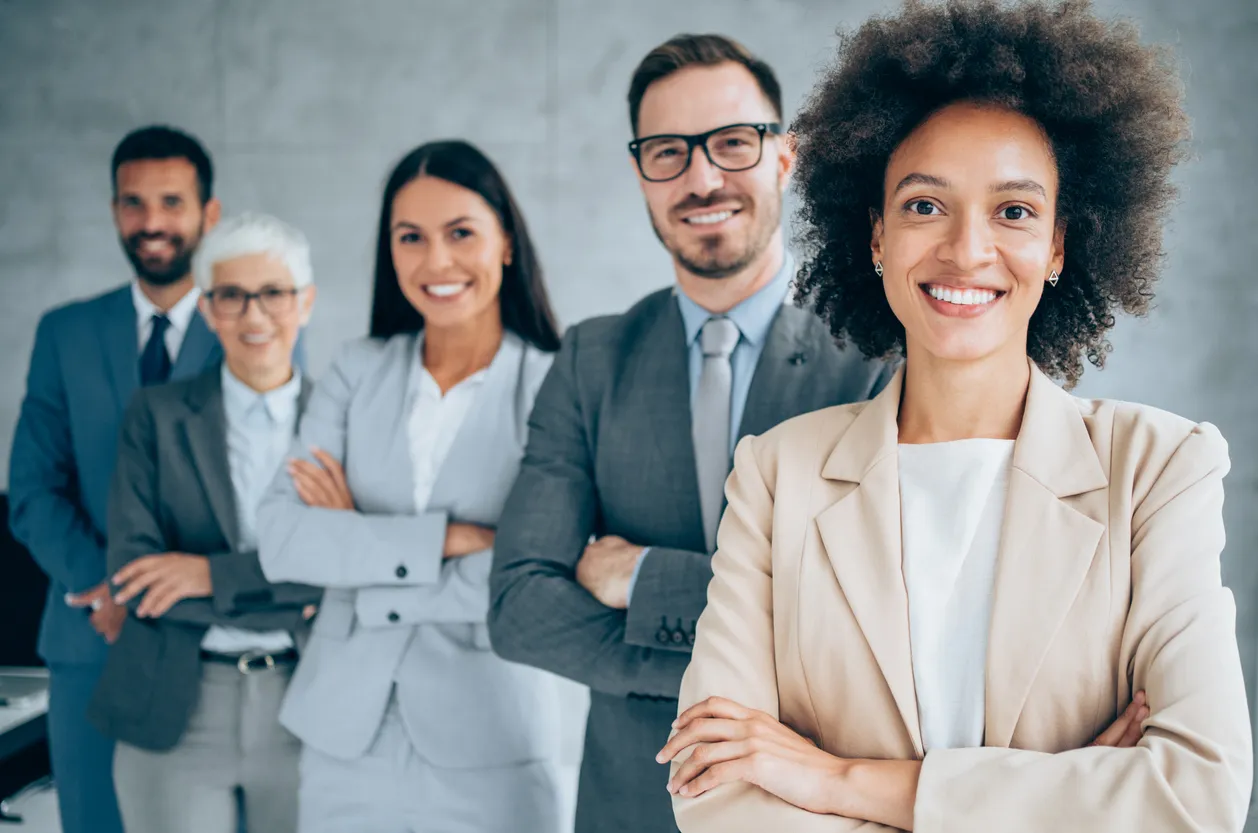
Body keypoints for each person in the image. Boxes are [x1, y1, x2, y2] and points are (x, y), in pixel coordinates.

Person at [658, 2, 1254, 831]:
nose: (967, 251)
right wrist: (1064, 797)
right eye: (925, 205)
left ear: (1057, 246)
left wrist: (835, 779)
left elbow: (1196, 796)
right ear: (873, 236)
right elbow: (716, 797)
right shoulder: (775, 475)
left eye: (1013, 211)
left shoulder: (1158, 468)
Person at [489, 34, 895, 833]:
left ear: (786, 157)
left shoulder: (877, 357)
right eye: (667, 152)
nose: (701, 178)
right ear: (641, 174)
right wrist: (750, 665)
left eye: (733, 144)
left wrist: (644, 579)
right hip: (629, 805)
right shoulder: (592, 357)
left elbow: (869, 620)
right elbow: (520, 608)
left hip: (813, 809)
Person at [256, 140, 568, 833]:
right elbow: (282, 539)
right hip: (343, 738)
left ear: (507, 243)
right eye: (411, 237)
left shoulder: (556, 382)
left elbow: (540, 567)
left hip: (493, 736)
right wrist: (451, 541)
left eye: (461, 232)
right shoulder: (355, 369)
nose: (436, 261)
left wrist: (355, 544)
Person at [8, 125, 225, 833]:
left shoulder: (252, 327)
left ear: (208, 214)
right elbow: (34, 490)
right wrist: (103, 584)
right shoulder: (65, 332)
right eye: (134, 202)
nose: (152, 221)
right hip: (88, 632)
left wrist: (171, 587)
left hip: (212, 643)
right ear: (113, 211)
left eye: (171, 201)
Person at [86, 213, 320, 833]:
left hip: (314, 700)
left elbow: (359, 573)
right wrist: (295, 589)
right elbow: (137, 580)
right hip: (175, 708)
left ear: (306, 302)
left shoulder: (342, 422)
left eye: (273, 293)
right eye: (231, 296)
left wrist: (204, 575)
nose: (254, 316)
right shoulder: (155, 416)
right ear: (208, 309)